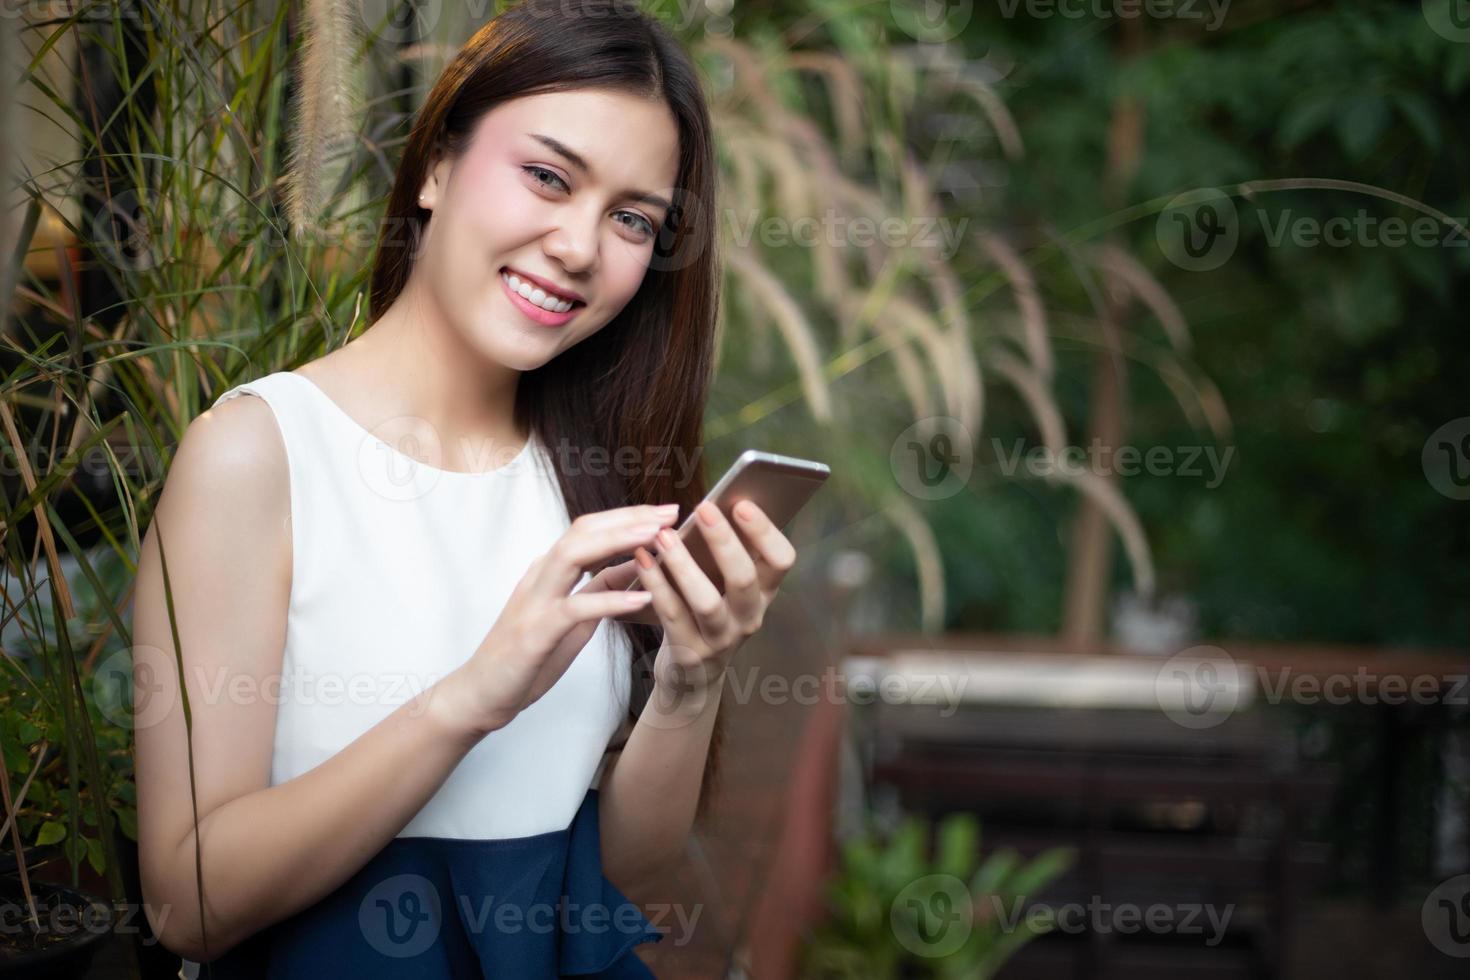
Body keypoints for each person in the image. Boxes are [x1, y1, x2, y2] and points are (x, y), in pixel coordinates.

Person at [130, 1, 798, 976]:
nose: (579, 245)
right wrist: (475, 696)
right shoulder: (259, 453)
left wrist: (694, 677)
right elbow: (185, 903)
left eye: (631, 219)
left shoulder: (595, 480)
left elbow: (626, 884)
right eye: (546, 176)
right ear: (438, 165)